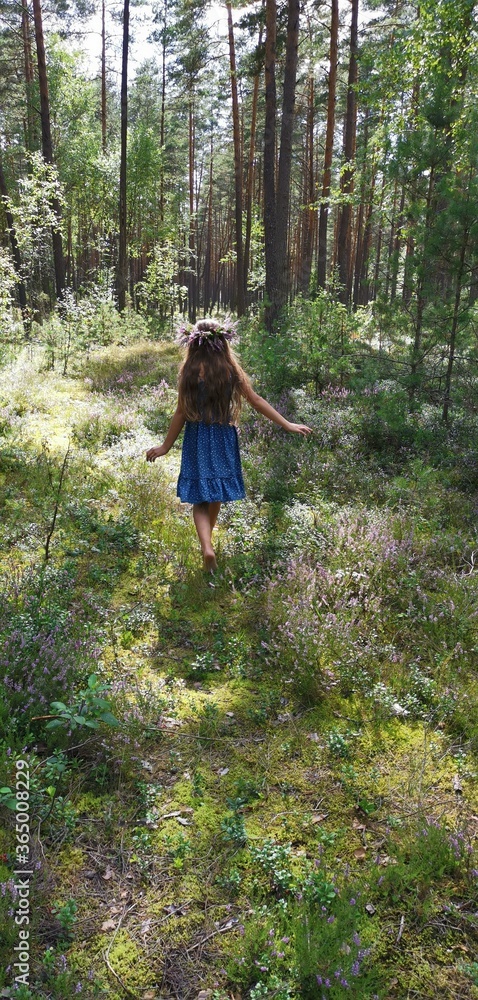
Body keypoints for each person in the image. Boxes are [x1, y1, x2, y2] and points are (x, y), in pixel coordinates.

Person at [146, 318, 313, 572]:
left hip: (197, 438)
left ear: (194, 343)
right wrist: (287, 424)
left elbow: (181, 412)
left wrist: (165, 446)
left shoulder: (190, 370)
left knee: (200, 499)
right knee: (216, 492)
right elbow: (256, 400)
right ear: (222, 342)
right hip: (223, 436)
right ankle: (208, 545)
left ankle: (207, 547)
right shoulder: (229, 369)